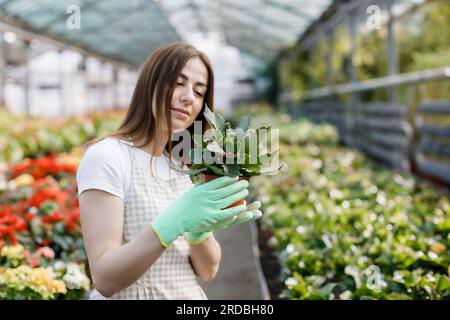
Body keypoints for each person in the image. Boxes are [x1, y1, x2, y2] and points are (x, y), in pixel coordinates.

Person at [76, 42, 263, 300]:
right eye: (178, 82)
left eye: (199, 92)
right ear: (150, 84)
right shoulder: (108, 156)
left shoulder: (182, 164)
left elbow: (208, 271)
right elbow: (105, 278)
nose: (189, 97)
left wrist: (199, 233)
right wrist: (171, 223)